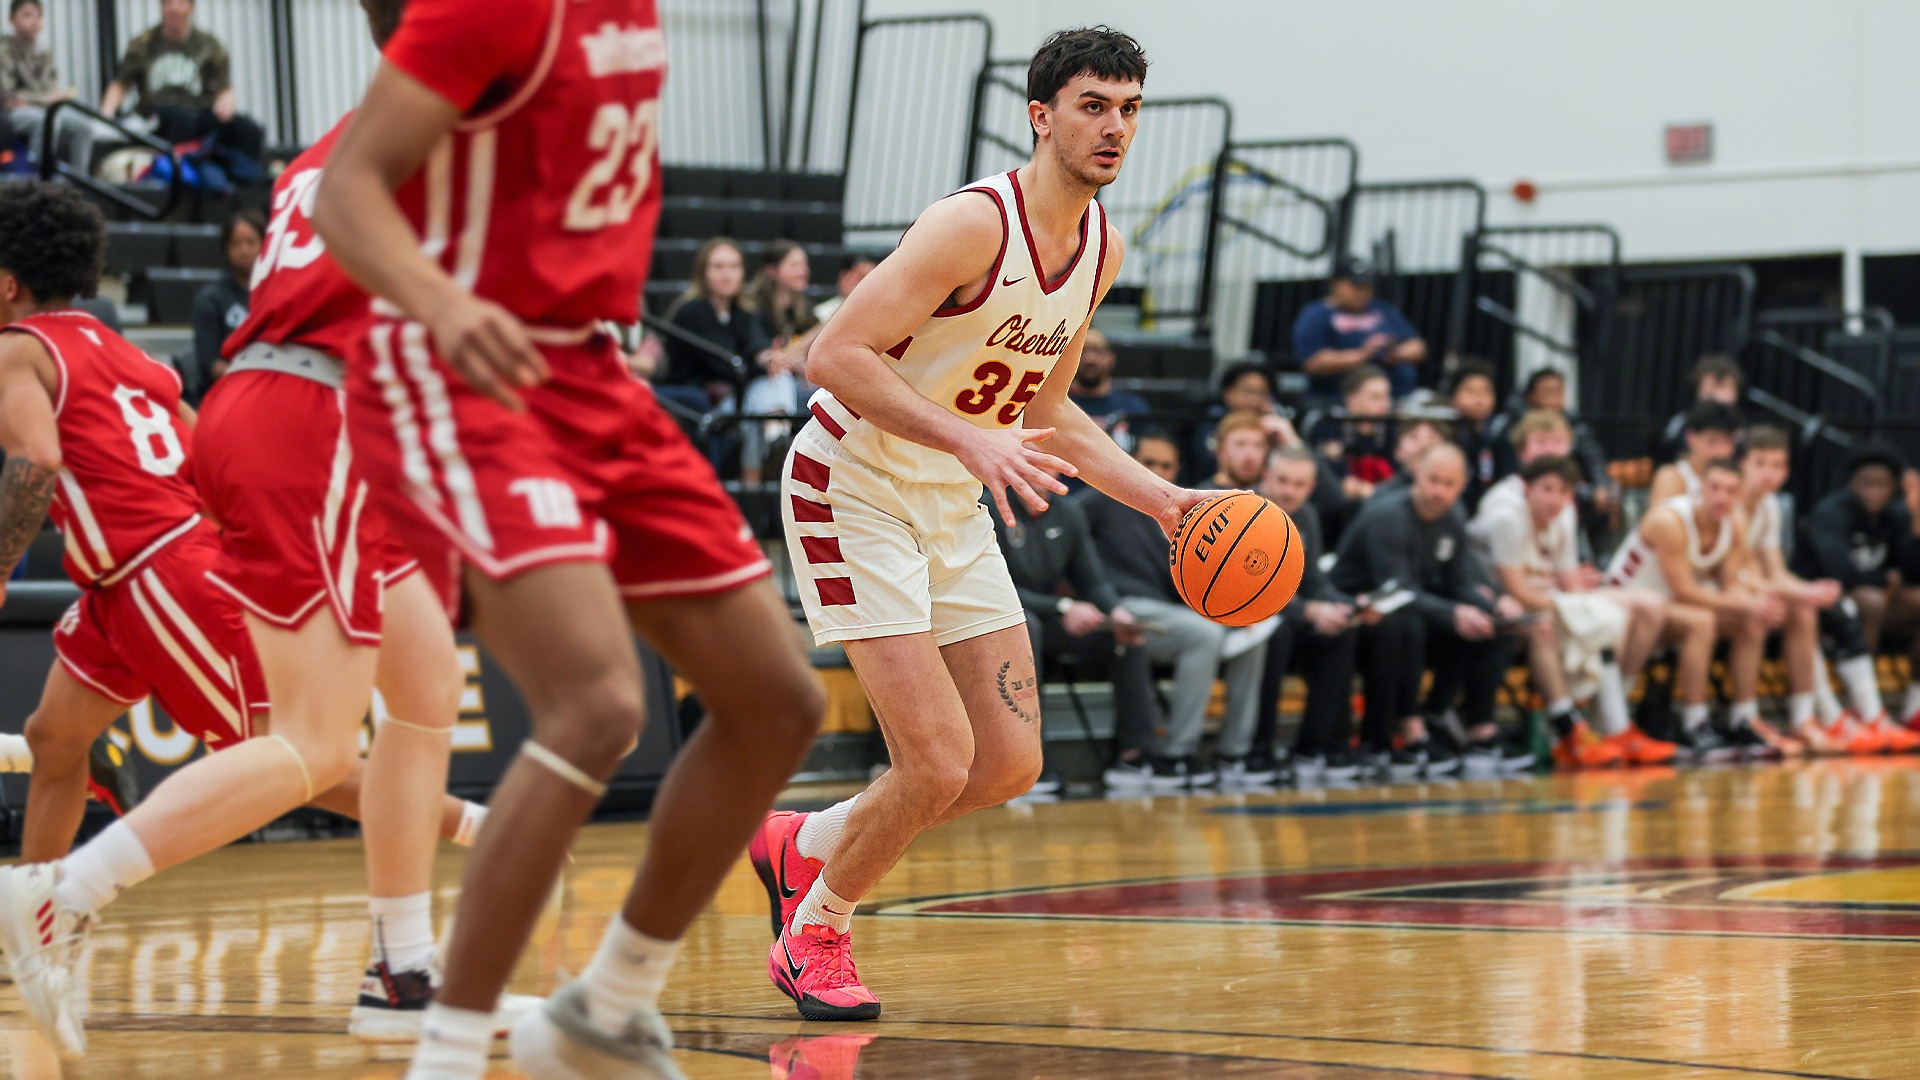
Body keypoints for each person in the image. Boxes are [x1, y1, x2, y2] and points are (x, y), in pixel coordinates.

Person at [313, 2, 826, 1078]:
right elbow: (345, 194)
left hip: (591, 375)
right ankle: (446, 1056)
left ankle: (605, 1010)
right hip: (459, 367)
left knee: (779, 698)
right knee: (598, 703)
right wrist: (443, 302)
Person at [756, 25, 1212, 1023]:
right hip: (854, 486)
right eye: (1094, 105)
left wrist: (1165, 500)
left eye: (1130, 109)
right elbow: (832, 354)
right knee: (935, 759)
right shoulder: (971, 226)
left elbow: (1044, 410)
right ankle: (816, 931)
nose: (1115, 128)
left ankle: (807, 840)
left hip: (951, 498)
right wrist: (970, 440)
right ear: (1041, 115)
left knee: (1008, 763)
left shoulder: (1102, 247)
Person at [0, 182, 494, 1059]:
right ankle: (33, 924)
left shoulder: (16, 350)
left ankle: (465, 821)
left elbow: (34, 462)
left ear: (7, 286)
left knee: (287, 753)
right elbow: (195, 445)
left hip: (161, 572)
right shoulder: (118, 350)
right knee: (53, 739)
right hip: (123, 581)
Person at [1083, 433, 1270, 786]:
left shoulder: (1184, 511)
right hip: (1122, 608)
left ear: (1177, 470)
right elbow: (1069, 538)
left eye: (1166, 466)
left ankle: (1234, 753)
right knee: (1203, 634)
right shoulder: (1101, 500)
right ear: (1130, 459)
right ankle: (1177, 753)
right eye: (1149, 462)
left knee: (1253, 632)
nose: (1156, 471)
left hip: (1171, 609)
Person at [1469, 453, 1674, 768]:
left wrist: (1581, 608)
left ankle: (1614, 723)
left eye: (1563, 491)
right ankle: (1570, 729)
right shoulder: (1507, 518)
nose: (1555, 498)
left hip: (1540, 599)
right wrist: (1574, 607)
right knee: (1550, 624)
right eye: (1547, 489)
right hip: (1491, 604)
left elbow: (1569, 583)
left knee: (1606, 619)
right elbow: (1516, 590)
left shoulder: (1564, 515)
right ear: (1527, 489)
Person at [1331, 443, 1523, 775]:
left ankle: (1470, 728)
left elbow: (1460, 580)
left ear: (1462, 485)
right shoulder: (1387, 515)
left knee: (1494, 627)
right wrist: (1454, 613)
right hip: (1357, 610)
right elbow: (1396, 589)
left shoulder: (1453, 515)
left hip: (1412, 605)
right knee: (1411, 625)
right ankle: (1401, 731)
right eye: (1433, 480)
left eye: (1449, 484)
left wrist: (1492, 604)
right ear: (1417, 474)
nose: (1439, 491)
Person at [1738, 427, 1910, 754]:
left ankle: (1810, 718)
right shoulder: (1730, 502)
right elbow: (1735, 574)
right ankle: (1746, 718)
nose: (1769, 474)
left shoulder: (1771, 506)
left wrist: (1807, 591)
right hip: (1721, 595)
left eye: (1777, 466)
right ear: (1743, 463)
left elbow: (1774, 571)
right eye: (1761, 463)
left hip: (1755, 591)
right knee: (1801, 608)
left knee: (1813, 608)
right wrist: (1805, 591)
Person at [1606, 458, 1778, 760]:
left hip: (1668, 608)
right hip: (1626, 605)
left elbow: (1731, 583)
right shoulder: (1669, 520)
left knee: (1751, 620)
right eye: (1714, 488)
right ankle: (1694, 722)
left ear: (1739, 495)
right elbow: (1684, 591)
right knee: (1702, 621)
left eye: (1730, 491)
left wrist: (1758, 601)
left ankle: (1743, 717)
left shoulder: (1734, 522)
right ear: (1700, 490)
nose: (1721, 497)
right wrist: (1746, 600)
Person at [995, 478, 1153, 789]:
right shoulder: (988, 507)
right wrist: (1064, 606)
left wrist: (1117, 612)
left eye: (1047, 466)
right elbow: (995, 588)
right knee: (1027, 626)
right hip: (996, 618)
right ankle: (1030, 764)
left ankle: (1134, 755)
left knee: (1123, 636)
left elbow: (1092, 580)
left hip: (1049, 617)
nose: (1040, 475)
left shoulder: (1068, 514)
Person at [1796, 443, 1920, 736]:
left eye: (1882, 485)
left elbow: (1913, 572)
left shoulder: (1897, 515)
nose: (1873, 492)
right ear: (1852, 484)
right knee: (1870, 600)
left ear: (1894, 487)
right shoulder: (1831, 511)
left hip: (1876, 599)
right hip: (1824, 601)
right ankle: (1863, 707)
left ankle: (1914, 708)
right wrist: (1885, 579)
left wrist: (1917, 522)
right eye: (1866, 484)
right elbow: (1840, 572)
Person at [1254, 445, 1359, 780]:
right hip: (1246, 619)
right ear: (1266, 477)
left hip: (1292, 613)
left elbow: (1312, 580)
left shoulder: (1307, 516)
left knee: (1343, 628)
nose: (1290, 491)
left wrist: (1341, 604)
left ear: (1310, 488)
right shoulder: (1247, 514)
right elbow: (1253, 592)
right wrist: (1310, 610)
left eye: (1299, 485)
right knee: (1277, 633)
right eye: (1283, 480)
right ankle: (1261, 747)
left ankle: (1314, 745)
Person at [99, 0, 265, 172]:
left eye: (180, 4)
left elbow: (223, 88)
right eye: (168, 3)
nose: (174, 9)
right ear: (161, 7)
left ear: (191, 7)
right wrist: (105, 118)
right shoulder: (143, 44)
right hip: (156, 114)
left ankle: (244, 187)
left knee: (249, 130)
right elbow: (120, 84)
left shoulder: (208, 45)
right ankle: (175, 176)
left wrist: (226, 106)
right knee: (182, 120)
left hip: (197, 112)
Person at [1291, 255, 1426, 402]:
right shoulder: (1316, 315)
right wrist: (1363, 354)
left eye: (1367, 286)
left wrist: (1395, 353)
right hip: (1338, 401)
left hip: (1400, 396)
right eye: (1356, 286)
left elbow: (1418, 347)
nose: (1363, 292)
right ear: (1335, 284)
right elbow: (1313, 363)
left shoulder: (1383, 309)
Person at [739, 241, 821, 482]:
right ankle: (777, 440)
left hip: (794, 389)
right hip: (755, 384)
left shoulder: (803, 308)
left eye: (804, 264)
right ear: (772, 271)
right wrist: (786, 359)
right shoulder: (752, 308)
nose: (803, 270)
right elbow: (764, 356)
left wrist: (798, 362)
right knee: (779, 382)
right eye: (794, 265)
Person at [660, 236, 766, 415]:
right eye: (718, 267)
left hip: (729, 393)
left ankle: (777, 439)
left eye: (734, 267)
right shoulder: (692, 311)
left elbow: (756, 341)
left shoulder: (742, 312)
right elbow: (725, 363)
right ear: (703, 273)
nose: (727, 275)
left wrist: (768, 356)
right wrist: (759, 363)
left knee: (772, 384)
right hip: (691, 392)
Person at [0, 0, 92, 176]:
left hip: (37, 108)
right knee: (47, 121)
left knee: (82, 126)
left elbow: (51, 89)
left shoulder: (43, 51)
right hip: (8, 112)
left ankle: (78, 183)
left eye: (38, 16)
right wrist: (43, 99)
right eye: (27, 15)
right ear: (12, 20)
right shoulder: (3, 50)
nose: (35, 21)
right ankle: (38, 182)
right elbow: (7, 95)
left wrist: (47, 98)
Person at [186, 210, 262, 400]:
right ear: (225, 249)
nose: (243, 250)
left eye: (251, 242)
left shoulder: (277, 294)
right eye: (235, 244)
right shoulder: (210, 298)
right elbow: (210, 364)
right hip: (224, 394)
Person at [1309, 364, 1394, 502]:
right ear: (1351, 400)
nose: (1385, 404)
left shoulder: (1391, 430)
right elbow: (1335, 479)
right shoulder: (1330, 426)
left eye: (1387, 396)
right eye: (1376, 397)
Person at [1650, 400, 1741, 504]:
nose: (1719, 451)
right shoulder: (1672, 478)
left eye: (1726, 442)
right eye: (1712, 441)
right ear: (1690, 437)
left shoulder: (1737, 481)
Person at [1067, 326, 1149, 438]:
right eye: (1082, 350)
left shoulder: (1133, 407)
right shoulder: (1058, 406)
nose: (1089, 358)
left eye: (1097, 351)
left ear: (1111, 358)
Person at [1659, 354, 1743, 463]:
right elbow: (1668, 454)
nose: (1718, 396)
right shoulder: (1682, 422)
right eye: (1712, 388)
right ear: (1698, 390)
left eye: (1724, 388)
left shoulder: (1744, 429)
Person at [1448, 357, 1500, 512]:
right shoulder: (1446, 437)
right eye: (1470, 391)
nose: (1479, 399)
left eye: (1486, 391)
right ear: (1453, 396)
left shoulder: (1496, 437)